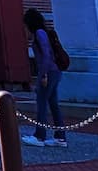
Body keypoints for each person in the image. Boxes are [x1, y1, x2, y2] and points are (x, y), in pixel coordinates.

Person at [23, 9, 66, 147]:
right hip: (55, 71)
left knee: (41, 102)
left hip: (49, 72)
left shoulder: (39, 34)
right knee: (53, 104)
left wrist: (43, 75)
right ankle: (60, 137)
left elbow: (46, 56)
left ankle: (39, 135)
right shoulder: (43, 32)